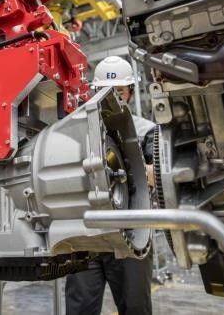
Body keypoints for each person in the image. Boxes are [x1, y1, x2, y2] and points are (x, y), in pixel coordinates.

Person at [65, 56, 156, 315]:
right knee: (79, 309)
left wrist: (124, 172)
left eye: (119, 91)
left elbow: (157, 174)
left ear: (129, 93)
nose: (113, 97)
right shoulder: (78, 130)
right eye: (106, 91)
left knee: (135, 307)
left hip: (131, 237)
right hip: (87, 236)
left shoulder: (145, 131)